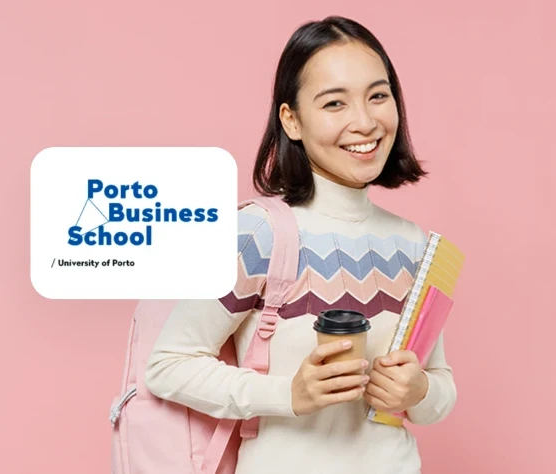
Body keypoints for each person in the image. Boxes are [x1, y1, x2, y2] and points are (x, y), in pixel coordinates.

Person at [145, 15, 457, 474]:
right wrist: (288, 395)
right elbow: (167, 365)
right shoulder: (259, 234)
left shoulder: (414, 244)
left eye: (378, 95)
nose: (365, 122)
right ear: (291, 120)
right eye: (335, 103)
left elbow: (439, 387)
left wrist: (418, 392)